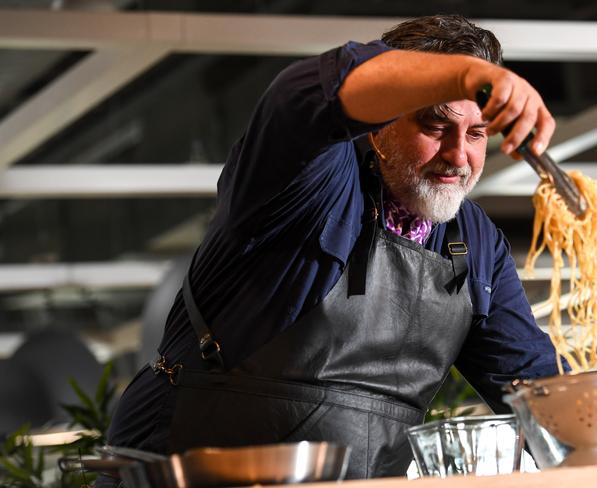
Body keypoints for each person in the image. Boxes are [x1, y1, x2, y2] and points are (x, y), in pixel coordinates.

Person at [105, 14, 560, 482]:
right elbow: (300, 96)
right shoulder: (307, 179)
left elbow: (538, 387)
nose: (458, 155)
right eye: (434, 125)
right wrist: (469, 77)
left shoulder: (476, 240)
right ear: (380, 124)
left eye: (477, 133)